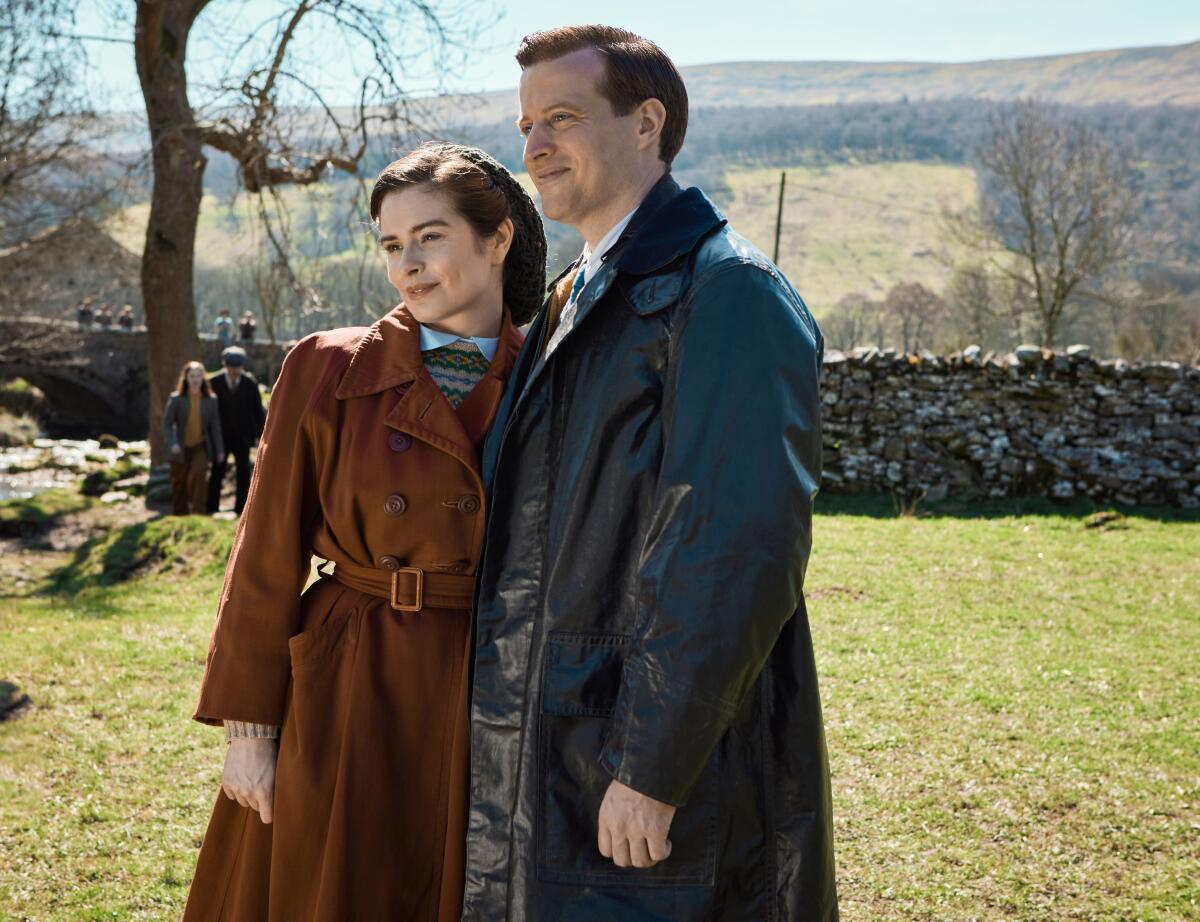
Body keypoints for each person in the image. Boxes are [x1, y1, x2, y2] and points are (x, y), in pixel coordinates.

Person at [462, 25, 838, 921]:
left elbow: (735, 546)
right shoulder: (572, 290)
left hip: (647, 755)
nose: (534, 146)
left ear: (646, 124)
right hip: (554, 734)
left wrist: (651, 766)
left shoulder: (726, 291)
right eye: (525, 124)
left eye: (561, 116)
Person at [182, 143, 546, 922]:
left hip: (497, 680)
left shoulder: (556, 373)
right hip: (350, 677)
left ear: (499, 238)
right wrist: (250, 728)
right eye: (390, 244)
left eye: (430, 237)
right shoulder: (326, 367)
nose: (407, 265)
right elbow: (265, 554)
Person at [206, 346, 266, 515]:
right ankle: (211, 507)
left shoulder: (250, 384)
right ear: (225, 365)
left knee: (243, 472)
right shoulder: (214, 382)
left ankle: (241, 509)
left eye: (238, 367)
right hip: (220, 436)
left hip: (243, 436)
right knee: (217, 471)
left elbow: (257, 411)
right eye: (231, 367)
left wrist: (261, 436)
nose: (235, 371)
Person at [163, 361, 225, 516]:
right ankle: (180, 513)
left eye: (198, 376)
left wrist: (219, 450)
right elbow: (167, 424)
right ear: (186, 378)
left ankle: (199, 512)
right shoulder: (177, 399)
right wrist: (173, 443)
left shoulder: (211, 399)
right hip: (180, 445)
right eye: (192, 376)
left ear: (203, 378)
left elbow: (215, 426)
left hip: (200, 444)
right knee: (179, 481)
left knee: (200, 472)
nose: (195, 379)